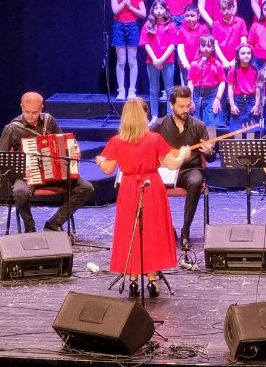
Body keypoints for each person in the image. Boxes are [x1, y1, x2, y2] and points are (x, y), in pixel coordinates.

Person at [95, 98, 189, 298]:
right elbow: (173, 165)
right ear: (143, 116)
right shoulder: (154, 139)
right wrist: (183, 153)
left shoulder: (117, 141)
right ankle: (153, 280)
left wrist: (100, 160)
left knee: (131, 232)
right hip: (152, 187)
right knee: (152, 232)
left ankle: (133, 280)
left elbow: (108, 169)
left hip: (129, 188)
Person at [0, 92, 94, 232]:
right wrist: (20, 170)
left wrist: (74, 152)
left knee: (86, 188)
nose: (30, 116)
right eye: (26, 112)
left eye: (34, 112)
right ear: (21, 107)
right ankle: (30, 228)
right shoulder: (13, 128)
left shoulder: (49, 120)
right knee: (20, 192)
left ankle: (54, 223)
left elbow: (63, 144)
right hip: (28, 176)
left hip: (54, 173)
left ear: (41, 108)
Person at [151, 86, 215, 250]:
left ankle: (185, 230)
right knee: (150, 184)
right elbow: (148, 149)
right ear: (171, 105)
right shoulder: (158, 126)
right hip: (166, 170)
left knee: (196, 181)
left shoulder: (199, 126)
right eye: (181, 106)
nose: (185, 110)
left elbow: (210, 157)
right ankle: (168, 227)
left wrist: (209, 151)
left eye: (188, 105)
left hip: (189, 170)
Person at [110, 0, 147, 100]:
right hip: (119, 26)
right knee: (121, 61)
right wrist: (125, 1)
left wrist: (130, 6)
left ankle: (132, 90)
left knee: (132, 60)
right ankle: (121, 90)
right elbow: (115, 11)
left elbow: (143, 14)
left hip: (132, 26)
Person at [140, 0, 178, 123]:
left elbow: (172, 44)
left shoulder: (171, 26)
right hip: (152, 62)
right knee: (154, 89)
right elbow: (146, 44)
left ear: (166, 10)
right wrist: (156, 60)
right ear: (153, 10)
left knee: (169, 89)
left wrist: (161, 60)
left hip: (168, 60)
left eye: (161, 8)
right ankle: (154, 116)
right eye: (156, 8)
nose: (159, 11)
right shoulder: (148, 25)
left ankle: (169, 116)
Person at [187, 34, 225, 126]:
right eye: (203, 46)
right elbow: (190, 82)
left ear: (213, 48)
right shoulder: (194, 64)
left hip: (211, 94)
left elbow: (222, 82)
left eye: (209, 46)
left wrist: (217, 99)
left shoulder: (217, 64)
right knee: (194, 122)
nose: (206, 48)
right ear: (199, 47)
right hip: (196, 94)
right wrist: (190, 100)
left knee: (211, 122)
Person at [227, 43, 261, 131]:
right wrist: (232, 104)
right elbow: (230, 88)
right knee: (236, 130)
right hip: (238, 101)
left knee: (253, 129)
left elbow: (257, 88)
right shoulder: (234, 70)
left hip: (251, 101)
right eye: (243, 53)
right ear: (238, 56)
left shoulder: (255, 69)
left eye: (248, 53)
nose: (246, 55)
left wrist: (257, 104)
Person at [176, 4, 210, 86]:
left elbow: (207, 48)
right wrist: (187, 66)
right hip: (186, 66)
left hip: (201, 65)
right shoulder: (181, 31)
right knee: (186, 88)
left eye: (192, 15)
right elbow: (180, 50)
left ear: (198, 16)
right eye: (187, 16)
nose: (189, 18)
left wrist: (201, 63)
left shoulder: (204, 29)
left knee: (200, 88)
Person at [211, 0, 247, 67]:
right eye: (224, 8)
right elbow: (215, 44)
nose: (226, 11)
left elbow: (243, 42)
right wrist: (224, 61)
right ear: (219, 8)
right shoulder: (216, 24)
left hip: (237, 60)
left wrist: (235, 60)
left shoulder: (240, 22)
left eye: (229, 8)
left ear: (233, 7)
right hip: (221, 61)